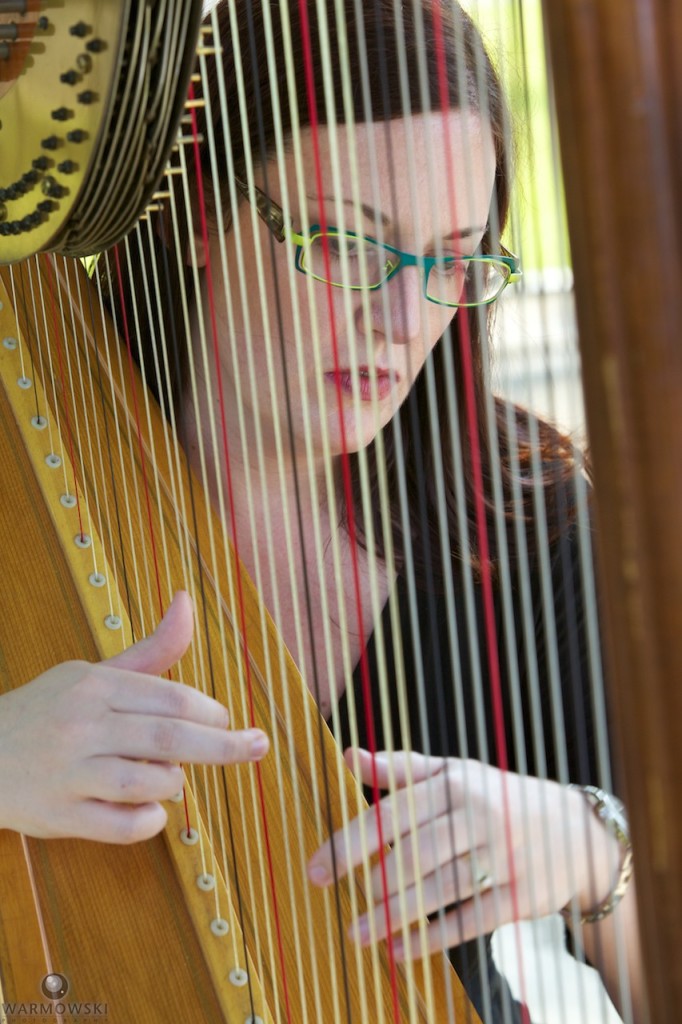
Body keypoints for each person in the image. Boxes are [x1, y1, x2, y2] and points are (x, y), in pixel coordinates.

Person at [0, 1, 643, 1021]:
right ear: (205, 212)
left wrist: (586, 847)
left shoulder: (525, 514)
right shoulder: (30, 445)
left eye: (450, 258)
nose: (401, 319)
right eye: (348, 242)